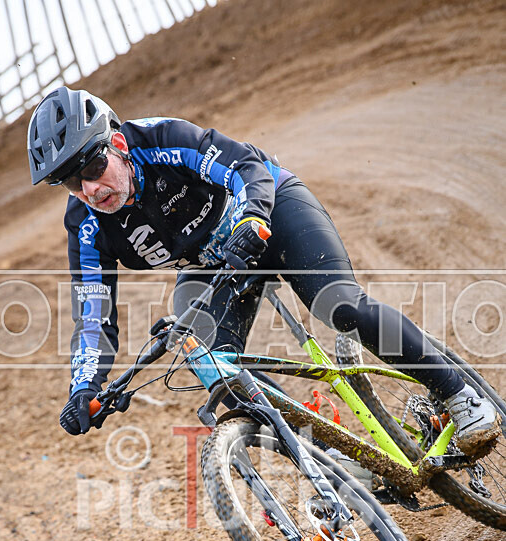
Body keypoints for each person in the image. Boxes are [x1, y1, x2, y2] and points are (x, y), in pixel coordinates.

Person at [28, 87, 499, 456]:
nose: (88, 188)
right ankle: (332, 459)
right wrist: (83, 388)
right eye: (70, 181)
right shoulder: (85, 225)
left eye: (91, 166)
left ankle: (458, 394)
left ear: (115, 142)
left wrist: (253, 216)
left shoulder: (160, 141)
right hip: (215, 266)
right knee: (211, 364)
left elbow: (244, 166)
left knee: (339, 306)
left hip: (269, 210)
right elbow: (93, 317)